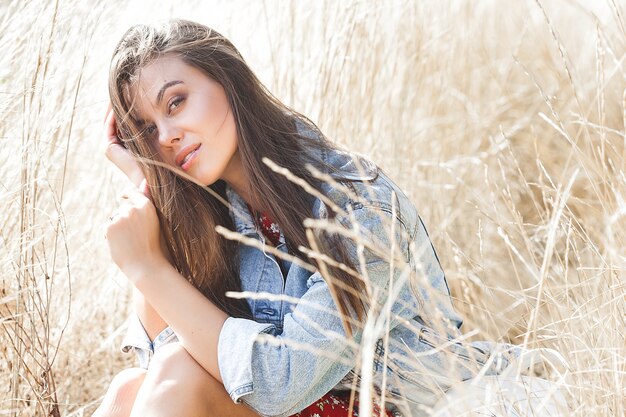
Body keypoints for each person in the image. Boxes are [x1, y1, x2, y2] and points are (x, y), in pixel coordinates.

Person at [93, 19, 567, 417]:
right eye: (148, 132)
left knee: (176, 371)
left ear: (229, 83)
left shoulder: (358, 205)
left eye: (176, 102)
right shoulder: (213, 218)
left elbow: (280, 384)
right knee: (127, 391)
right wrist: (150, 192)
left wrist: (147, 268)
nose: (168, 136)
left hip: (396, 405)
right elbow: (155, 359)